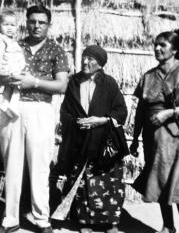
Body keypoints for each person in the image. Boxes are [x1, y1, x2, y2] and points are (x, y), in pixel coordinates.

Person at [0, 4, 69, 233]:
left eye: (41, 22)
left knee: (40, 166)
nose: (36, 26)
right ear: (26, 22)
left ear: (49, 25)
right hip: (13, 107)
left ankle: (42, 219)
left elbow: (62, 85)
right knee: (12, 165)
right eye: (32, 21)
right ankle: (10, 219)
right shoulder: (13, 44)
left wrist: (33, 82)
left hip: (40, 110)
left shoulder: (56, 50)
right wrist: (7, 77)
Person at [130, 31, 179, 233]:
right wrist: (136, 137)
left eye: (163, 45)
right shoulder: (148, 76)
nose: (157, 48)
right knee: (159, 179)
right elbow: (141, 109)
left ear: (175, 50)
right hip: (154, 137)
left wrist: (169, 113)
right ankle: (168, 225)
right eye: (155, 44)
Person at [56, 45, 129, 233]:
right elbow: (65, 111)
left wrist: (100, 121)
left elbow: (121, 111)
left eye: (91, 59)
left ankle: (111, 223)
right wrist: (75, 122)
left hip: (104, 143)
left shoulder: (109, 83)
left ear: (101, 64)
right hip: (80, 141)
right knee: (83, 184)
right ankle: (84, 222)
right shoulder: (74, 82)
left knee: (109, 184)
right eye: (84, 57)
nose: (86, 62)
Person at [0, 9, 26, 119]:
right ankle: (13, 105)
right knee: (18, 85)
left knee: (9, 87)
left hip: (12, 66)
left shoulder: (12, 40)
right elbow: (0, 53)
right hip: (10, 67)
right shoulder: (2, 40)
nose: (9, 28)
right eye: (6, 24)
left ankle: (5, 103)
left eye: (12, 25)